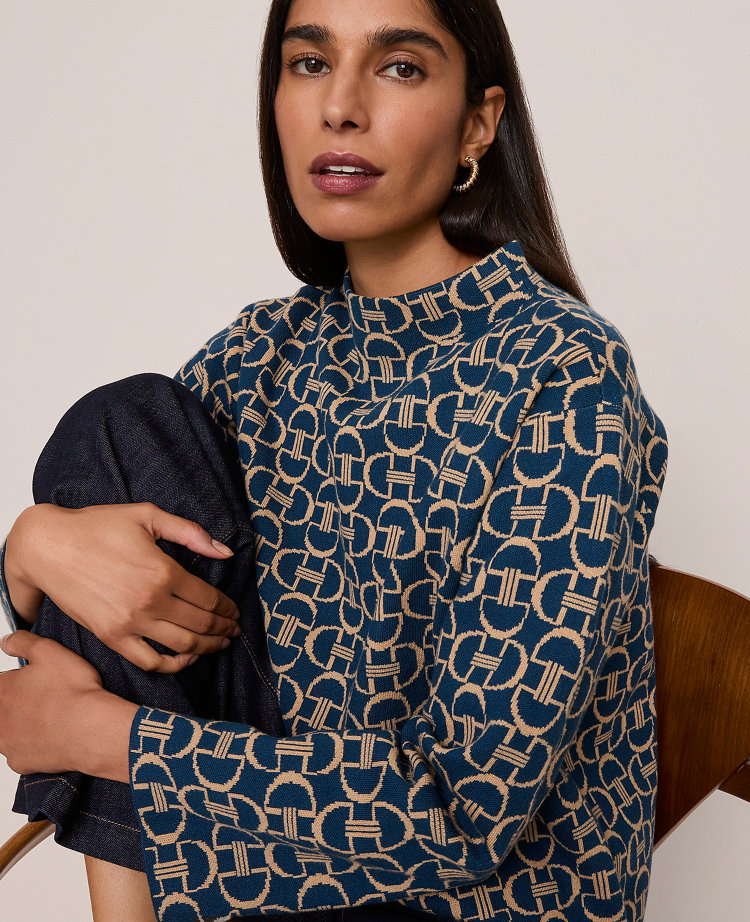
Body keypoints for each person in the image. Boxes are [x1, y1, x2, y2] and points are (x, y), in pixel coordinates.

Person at [0, 0, 668, 920]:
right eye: (309, 63)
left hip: (464, 898)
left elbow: (462, 817)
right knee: (117, 426)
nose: (340, 107)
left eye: (399, 67)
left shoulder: (563, 375)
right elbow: (110, 572)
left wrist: (100, 737)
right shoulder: (261, 355)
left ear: (479, 123)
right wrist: (30, 549)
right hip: (265, 875)